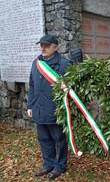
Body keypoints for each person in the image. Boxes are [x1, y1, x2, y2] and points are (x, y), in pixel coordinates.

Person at [27, 34, 70, 180]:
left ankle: (60, 166)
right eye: (41, 45)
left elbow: (71, 87)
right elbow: (32, 85)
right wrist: (30, 105)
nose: (43, 48)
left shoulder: (63, 64)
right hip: (39, 109)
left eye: (47, 45)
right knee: (44, 139)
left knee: (59, 140)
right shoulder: (36, 63)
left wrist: (67, 86)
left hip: (55, 110)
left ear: (55, 47)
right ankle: (48, 164)